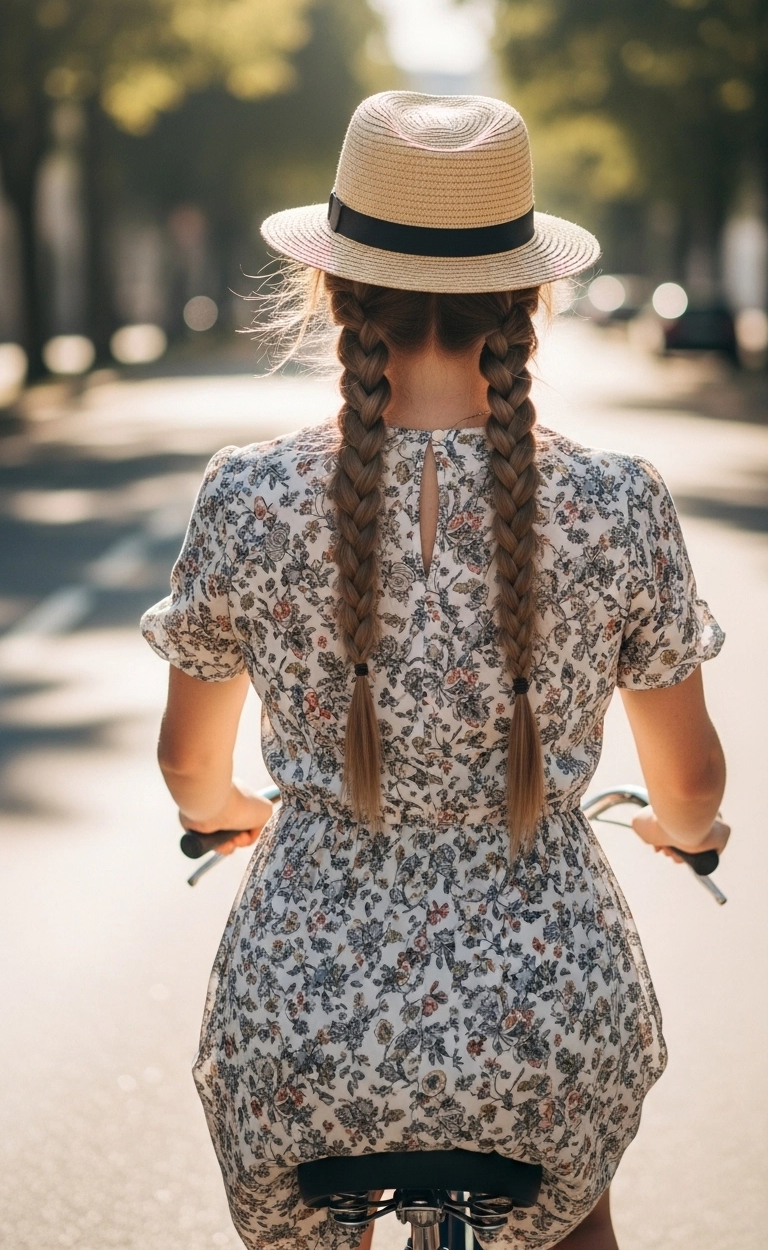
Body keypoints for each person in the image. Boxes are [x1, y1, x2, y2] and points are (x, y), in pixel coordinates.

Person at [141, 92, 729, 1250]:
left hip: (303, 1029)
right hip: (545, 1021)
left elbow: (186, 769)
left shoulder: (249, 496)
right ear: (528, 298)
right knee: (575, 1228)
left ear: (333, 287)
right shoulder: (617, 502)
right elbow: (694, 787)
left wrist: (231, 815)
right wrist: (688, 832)